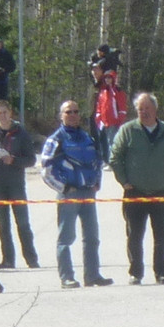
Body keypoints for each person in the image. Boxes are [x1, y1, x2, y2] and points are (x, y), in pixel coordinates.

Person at [109, 91, 164, 285]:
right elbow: (115, 157)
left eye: (147, 108)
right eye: (140, 109)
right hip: (135, 192)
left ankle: (162, 272)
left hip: (161, 191)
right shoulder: (128, 130)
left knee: (162, 236)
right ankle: (135, 272)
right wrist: (123, 180)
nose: (144, 112)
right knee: (134, 235)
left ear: (155, 109)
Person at [40, 99, 111, 287]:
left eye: (75, 111)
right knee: (66, 238)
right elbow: (45, 170)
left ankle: (93, 275)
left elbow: (98, 161)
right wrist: (63, 188)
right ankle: (67, 277)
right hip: (68, 195)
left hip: (88, 193)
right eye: (68, 112)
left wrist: (97, 182)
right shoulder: (56, 139)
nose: (72, 115)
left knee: (92, 237)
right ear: (61, 116)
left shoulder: (88, 137)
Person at [0, 98, 39, 269]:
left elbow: (31, 159)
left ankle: (31, 259)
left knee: (22, 223)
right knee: (3, 225)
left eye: (5, 112)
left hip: (16, 184)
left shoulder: (21, 133)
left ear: (10, 113)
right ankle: (8, 259)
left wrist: (13, 160)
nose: (2, 116)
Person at [92, 68, 129, 163]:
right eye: (106, 78)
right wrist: (98, 118)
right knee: (105, 142)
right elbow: (100, 106)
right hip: (104, 122)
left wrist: (120, 119)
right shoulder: (103, 91)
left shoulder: (117, 91)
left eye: (110, 78)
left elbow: (122, 107)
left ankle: (114, 161)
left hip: (114, 121)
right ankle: (107, 160)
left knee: (113, 141)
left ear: (113, 79)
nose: (108, 80)